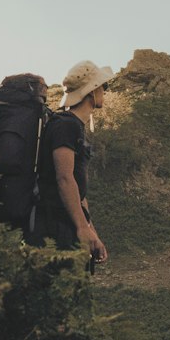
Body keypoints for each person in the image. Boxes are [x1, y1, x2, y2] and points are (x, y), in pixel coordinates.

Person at [31, 59, 113, 263]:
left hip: (67, 224)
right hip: (55, 227)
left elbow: (79, 190)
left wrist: (91, 231)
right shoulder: (66, 126)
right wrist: (81, 229)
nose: (105, 90)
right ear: (92, 91)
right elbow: (64, 178)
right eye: (103, 86)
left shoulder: (73, 126)